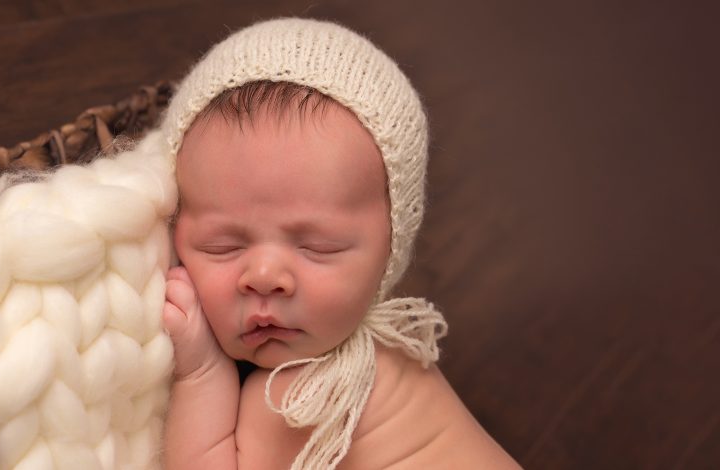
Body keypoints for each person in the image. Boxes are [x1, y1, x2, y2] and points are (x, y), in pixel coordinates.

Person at [158, 18, 520, 469]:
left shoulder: (300, 398)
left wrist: (199, 374)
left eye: (318, 247)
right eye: (222, 246)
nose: (265, 278)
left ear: (390, 251)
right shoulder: (396, 356)